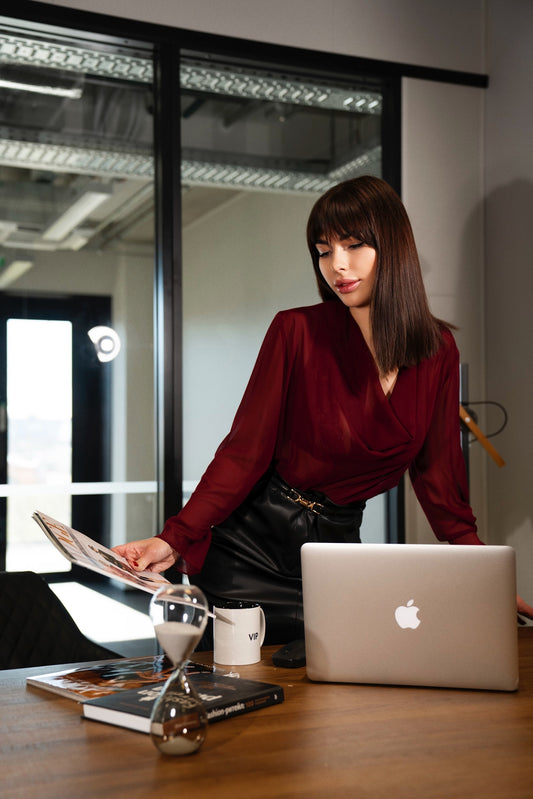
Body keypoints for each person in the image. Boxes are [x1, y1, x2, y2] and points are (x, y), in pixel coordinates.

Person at [114, 176, 533, 642]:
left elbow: (438, 477)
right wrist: (174, 537)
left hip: (333, 552)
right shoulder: (296, 332)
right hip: (247, 549)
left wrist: (483, 573)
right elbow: (243, 452)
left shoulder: (437, 352)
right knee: (239, 696)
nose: (338, 265)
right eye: (323, 250)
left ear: (393, 247)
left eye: (354, 245)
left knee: (335, 696)